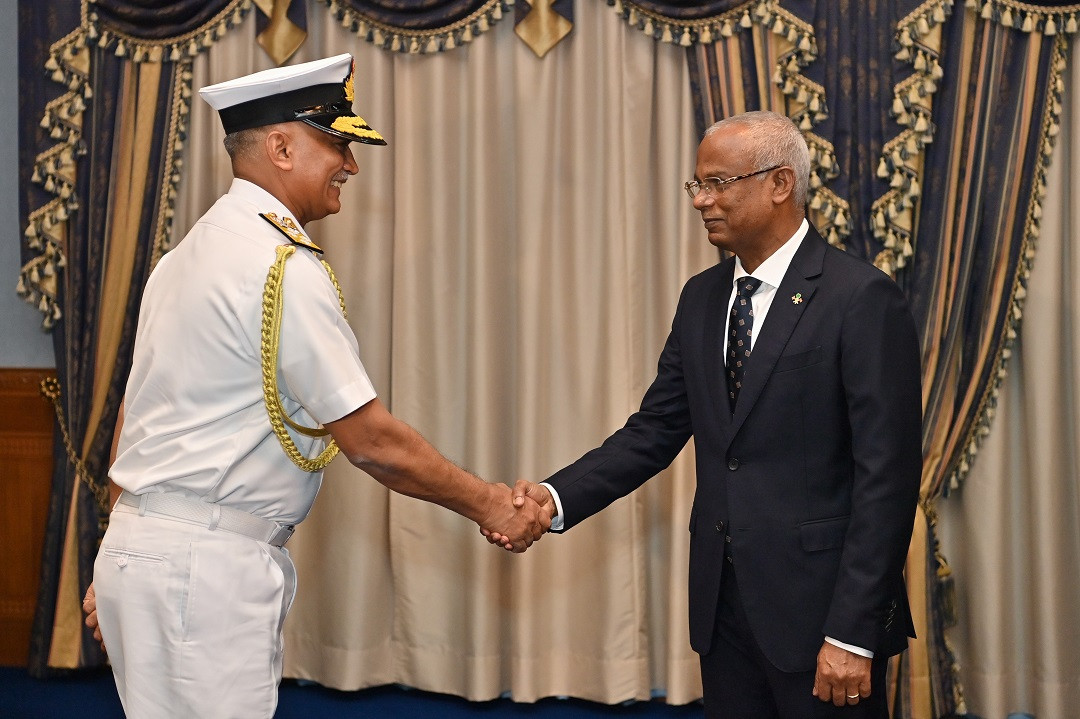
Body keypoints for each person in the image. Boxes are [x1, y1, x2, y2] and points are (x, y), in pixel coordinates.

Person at [85, 54, 548, 719]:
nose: (351, 165)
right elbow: (370, 440)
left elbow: (137, 418)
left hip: (148, 556)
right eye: (337, 143)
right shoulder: (281, 263)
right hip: (203, 573)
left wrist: (121, 545)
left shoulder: (184, 256)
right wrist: (491, 504)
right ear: (280, 146)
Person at [492, 110, 922, 718]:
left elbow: (889, 477)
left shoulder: (860, 298)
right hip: (722, 613)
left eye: (718, 183)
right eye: (698, 185)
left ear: (779, 184)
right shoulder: (702, 297)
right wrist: (552, 499)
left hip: (822, 618)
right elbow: (655, 430)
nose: (701, 202)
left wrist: (851, 631)